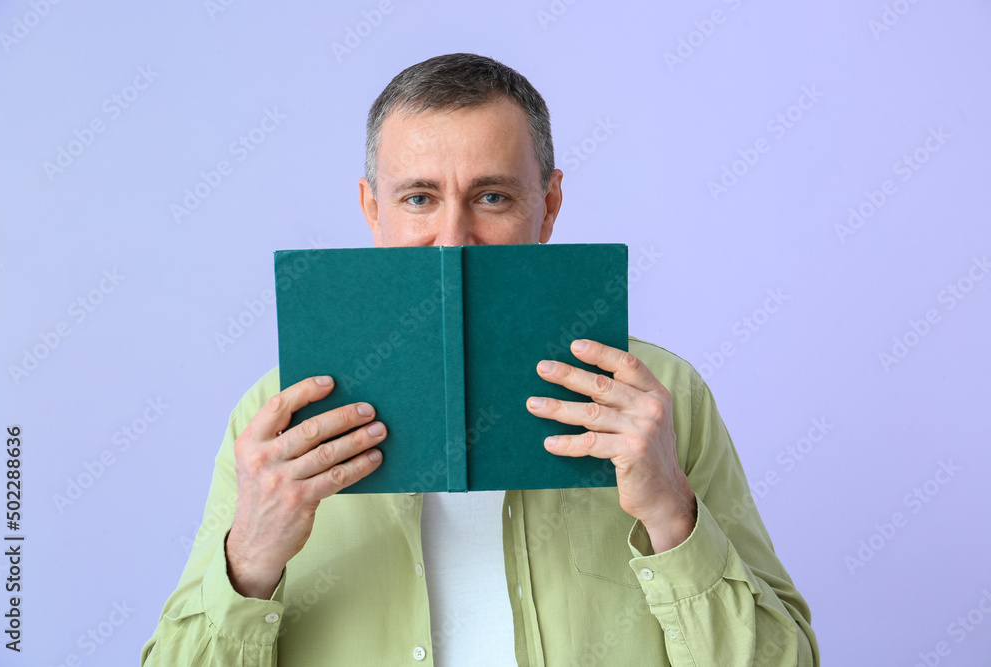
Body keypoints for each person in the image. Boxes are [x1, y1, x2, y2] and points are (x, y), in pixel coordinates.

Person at [141, 53, 819, 666]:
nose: (453, 238)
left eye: (492, 197)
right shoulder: (277, 417)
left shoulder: (661, 396)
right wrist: (250, 559)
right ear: (372, 210)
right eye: (418, 198)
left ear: (548, 207)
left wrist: (674, 517)